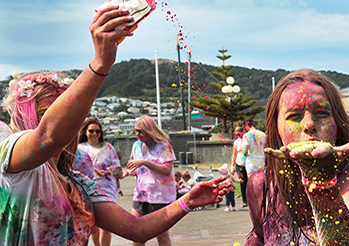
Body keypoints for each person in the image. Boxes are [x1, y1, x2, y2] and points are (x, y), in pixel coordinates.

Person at [0, 6, 230, 245]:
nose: (67, 123)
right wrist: (100, 63)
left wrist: (187, 202)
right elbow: (47, 137)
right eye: (48, 114)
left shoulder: (79, 184)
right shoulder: (11, 159)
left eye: (73, 115)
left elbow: (137, 229)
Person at [245, 69, 349, 245]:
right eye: (294, 116)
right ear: (276, 128)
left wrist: (321, 181)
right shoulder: (261, 183)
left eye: (322, 113)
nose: (309, 125)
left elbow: (348, 243)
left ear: (337, 123)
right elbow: (258, 236)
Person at [126, 115, 177, 246]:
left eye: (140, 131)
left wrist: (145, 162)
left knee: (161, 236)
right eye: (136, 130)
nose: (137, 134)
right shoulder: (136, 146)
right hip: (141, 195)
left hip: (159, 197)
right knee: (137, 235)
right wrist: (123, 173)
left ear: (149, 131)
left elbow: (167, 169)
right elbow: (133, 168)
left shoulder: (163, 145)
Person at [78, 117, 122, 246]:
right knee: (93, 225)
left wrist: (108, 171)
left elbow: (117, 168)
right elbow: (72, 168)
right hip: (86, 189)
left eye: (98, 131)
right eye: (91, 131)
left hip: (107, 188)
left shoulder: (108, 148)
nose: (95, 134)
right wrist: (92, 169)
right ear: (85, 131)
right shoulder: (80, 148)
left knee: (107, 225)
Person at [231, 121, 248, 207]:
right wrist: (232, 166)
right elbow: (234, 155)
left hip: (248, 164)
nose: (237, 133)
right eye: (236, 131)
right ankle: (245, 201)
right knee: (242, 182)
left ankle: (251, 200)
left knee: (250, 182)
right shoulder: (236, 142)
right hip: (239, 164)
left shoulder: (248, 139)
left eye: (239, 131)